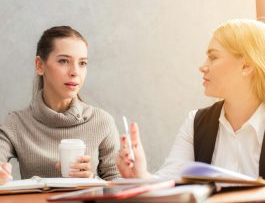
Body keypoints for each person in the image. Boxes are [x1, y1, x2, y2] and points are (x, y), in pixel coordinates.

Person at [116, 19, 265, 179]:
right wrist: (141, 176)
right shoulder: (195, 122)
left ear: (246, 66)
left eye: (213, 57)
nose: (202, 66)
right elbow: (170, 182)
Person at [0, 26, 120, 185]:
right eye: (64, 61)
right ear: (39, 65)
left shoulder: (102, 122)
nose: (75, 72)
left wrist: (91, 180)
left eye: (82, 63)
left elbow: (121, 188)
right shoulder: (16, 123)